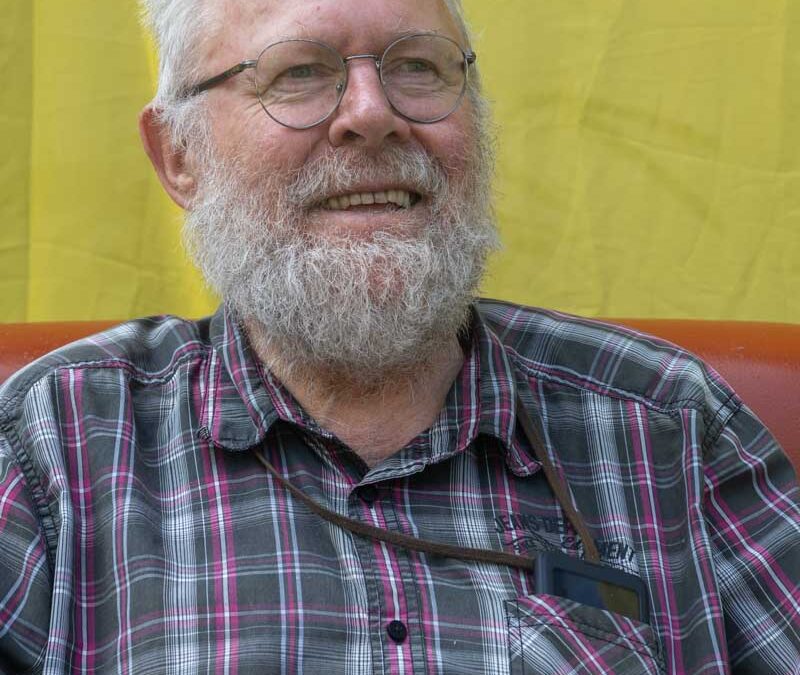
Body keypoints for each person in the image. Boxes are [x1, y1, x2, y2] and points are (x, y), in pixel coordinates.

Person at [1, 0, 798, 672]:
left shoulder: (671, 426)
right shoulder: (53, 449)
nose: (372, 114)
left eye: (417, 66)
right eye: (298, 73)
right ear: (179, 156)